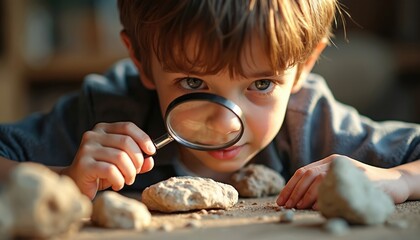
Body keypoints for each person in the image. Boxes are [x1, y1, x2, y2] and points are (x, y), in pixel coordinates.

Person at [0, 0, 419, 210]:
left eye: (260, 83)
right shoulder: (111, 109)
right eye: (193, 81)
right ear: (142, 61)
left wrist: (397, 178)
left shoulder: (310, 122)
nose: (223, 122)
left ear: (303, 68)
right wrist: (64, 180)